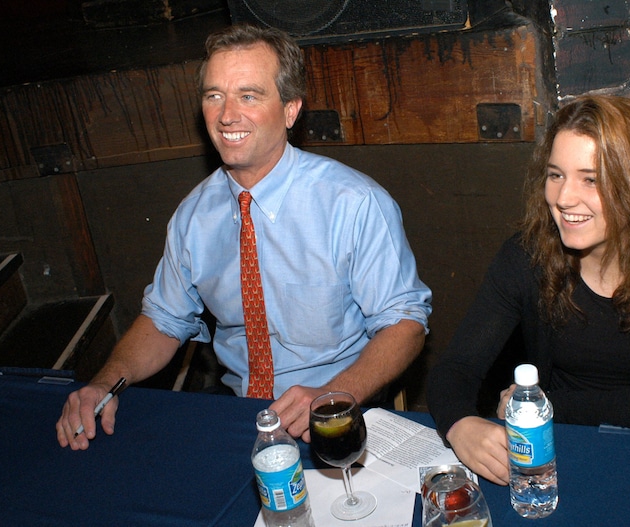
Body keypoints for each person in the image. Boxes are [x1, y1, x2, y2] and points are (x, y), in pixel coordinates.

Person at [57, 24, 432, 450]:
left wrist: (334, 396)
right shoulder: (193, 216)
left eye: (248, 96)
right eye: (214, 95)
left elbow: (404, 324)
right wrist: (102, 383)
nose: (227, 115)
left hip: (339, 410)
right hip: (238, 414)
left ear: (291, 110)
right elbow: (164, 320)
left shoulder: (354, 203)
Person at [426, 95, 630, 485]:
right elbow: (456, 368)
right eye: (555, 175)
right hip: (567, 447)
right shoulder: (527, 255)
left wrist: (545, 404)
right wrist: (460, 425)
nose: (564, 198)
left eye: (591, 179)